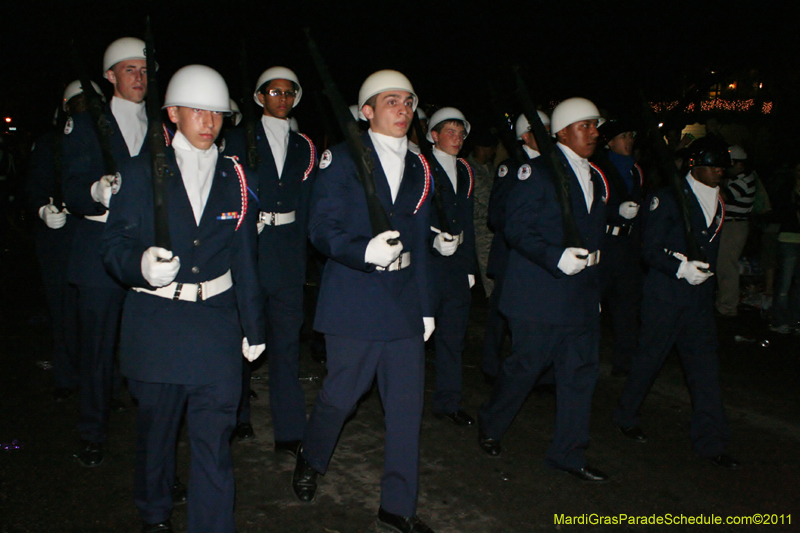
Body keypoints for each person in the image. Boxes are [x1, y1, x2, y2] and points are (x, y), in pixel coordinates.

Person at [102, 64, 265, 533]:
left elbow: (245, 258)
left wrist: (253, 328)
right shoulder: (139, 171)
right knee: (157, 435)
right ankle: (154, 513)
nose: (208, 121)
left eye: (215, 112)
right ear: (172, 112)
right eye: (196, 110)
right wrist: (140, 265)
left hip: (215, 323)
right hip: (158, 323)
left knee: (214, 442)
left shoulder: (237, 177)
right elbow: (112, 246)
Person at [293, 70, 436, 533]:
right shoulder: (342, 158)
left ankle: (398, 508)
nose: (402, 108)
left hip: (403, 301)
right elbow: (321, 227)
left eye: (408, 101)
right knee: (342, 395)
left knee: (406, 408)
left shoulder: (419, 166)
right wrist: (362, 250)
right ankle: (312, 456)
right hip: (354, 296)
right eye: (390, 100)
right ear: (367, 111)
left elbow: (421, 241)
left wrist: (428, 304)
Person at [477, 98, 609, 483]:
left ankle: (569, 452)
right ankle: (491, 422)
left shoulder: (595, 176)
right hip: (540, 293)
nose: (594, 133)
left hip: (581, 295)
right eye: (585, 126)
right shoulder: (534, 173)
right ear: (563, 132)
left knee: (579, 374)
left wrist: (595, 288)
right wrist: (555, 257)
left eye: (594, 125)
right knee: (525, 368)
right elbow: (516, 228)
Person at [613, 137, 739, 469]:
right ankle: (626, 414)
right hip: (665, 298)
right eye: (712, 165)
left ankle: (711, 441)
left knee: (705, 372)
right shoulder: (666, 198)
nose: (718, 172)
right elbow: (650, 249)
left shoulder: (720, 202)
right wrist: (680, 267)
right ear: (694, 165)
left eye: (722, 167)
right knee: (648, 361)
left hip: (698, 302)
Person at [61, 37, 149, 467]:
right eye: (129, 70)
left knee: (149, 344)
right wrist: (97, 191)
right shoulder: (88, 123)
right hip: (99, 248)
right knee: (98, 346)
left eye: (144, 69)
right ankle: (92, 429)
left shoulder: (161, 124)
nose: (139, 77)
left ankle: (152, 430)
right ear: (110, 76)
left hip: (144, 249)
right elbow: (72, 187)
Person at [226, 67, 317, 449]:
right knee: (241, 338)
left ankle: (290, 429)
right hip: (248, 252)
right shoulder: (234, 138)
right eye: (274, 92)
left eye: (288, 93)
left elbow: (309, 203)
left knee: (286, 344)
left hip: (287, 256)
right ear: (259, 97)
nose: (282, 99)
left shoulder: (305, 146)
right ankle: (237, 415)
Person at [25, 81, 102, 402]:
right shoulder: (50, 144)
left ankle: (102, 384)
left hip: (94, 233)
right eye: (79, 103)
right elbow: (33, 185)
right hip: (59, 235)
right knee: (62, 309)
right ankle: (66, 377)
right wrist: (43, 209)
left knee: (98, 315)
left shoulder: (106, 142)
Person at [481, 111, 550, 382]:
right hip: (511, 256)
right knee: (500, 316)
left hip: (539, 257)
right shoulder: (512, 168)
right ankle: (490, 365)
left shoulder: (553, 168)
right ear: (525, 136)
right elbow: (495, 214)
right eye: (540, 129)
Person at [425, 107, 477, 426]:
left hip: (456, 265)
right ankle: (403, 397)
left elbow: (468, 221)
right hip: (427, 264)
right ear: (434, 135)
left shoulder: (466, 170)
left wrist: (469, 264)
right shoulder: (420, 167)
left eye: (461, 133)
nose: (457, 139)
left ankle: (448, 401)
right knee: (417, 336)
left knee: (453, 338)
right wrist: (431, 242)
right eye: (450, 132)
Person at [594, 118, 644, 376]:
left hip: (627, 246)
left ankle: (625, 361)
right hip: (604, 243)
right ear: (610, 142)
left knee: (627, 306)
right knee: (593, 304)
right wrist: (614, 211)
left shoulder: (636, 170)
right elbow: (587, 206)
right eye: (624, 136)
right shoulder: (597, 167)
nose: (629, 141)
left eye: (631, 135)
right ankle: (584, 358)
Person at [715, 145, 757, 317]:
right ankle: (724, 302)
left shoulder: (743, 180)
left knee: (726, 266)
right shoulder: (737, 179)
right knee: (723, 265)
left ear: (740, 164)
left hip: (735, 225)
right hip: (731, 225)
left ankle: (727, 306)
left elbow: (723, 197)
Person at [466, 126, 497, 297]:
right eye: (487, 147)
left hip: (495, 232)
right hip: (480, 233)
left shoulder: (492, 169)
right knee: (489, 281)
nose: (491, 152)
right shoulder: (467, 169)